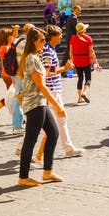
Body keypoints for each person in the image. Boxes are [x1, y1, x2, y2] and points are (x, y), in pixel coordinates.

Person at [17, 28, 65, 187]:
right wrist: (58, 105)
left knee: (53, 132)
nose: (44, 43)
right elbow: (41, 86)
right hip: (35, 104)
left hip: (39, 102)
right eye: (42, 40)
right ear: (34, 41)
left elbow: (21, 75)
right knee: (30, 141)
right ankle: (23, 177)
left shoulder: (31, 57)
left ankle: (47, 171)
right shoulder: (32, 58)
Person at [36, 25, 82, 159]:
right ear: (53, 36)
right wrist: (65, 68)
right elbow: (47, 72)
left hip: (53, 89)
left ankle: (68, 148)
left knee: (48, 122)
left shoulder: (49, 49)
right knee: (58, 120)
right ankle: (68, 148)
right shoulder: (47, 51)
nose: (62, 36)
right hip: (52, 89)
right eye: (60, 34)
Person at [69, 22, 98, 104]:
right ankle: (84, 92)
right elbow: (91, 52)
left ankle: (79, 98)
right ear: (84, 30)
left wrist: (71, 60)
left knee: (80, 78)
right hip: (85, 59)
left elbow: (71, 51)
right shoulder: (88, 38)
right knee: (88, 78)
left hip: (76, 59)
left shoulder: (73, 38)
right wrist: (96, 62)